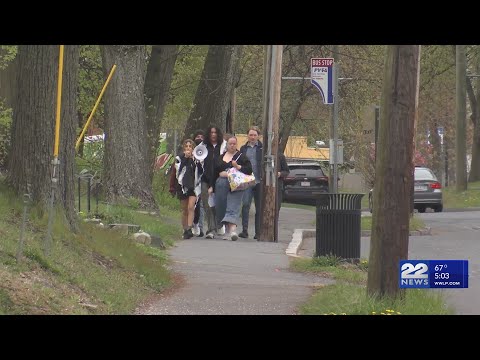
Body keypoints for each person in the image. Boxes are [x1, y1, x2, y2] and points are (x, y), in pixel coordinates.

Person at [211, 135, 253, 241]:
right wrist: (211, 186)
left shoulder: (241, 156)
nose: (232, 145)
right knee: (222, 206)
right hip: (221, 185)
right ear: (227, 145)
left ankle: (233, 231)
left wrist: (238, 167)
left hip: (236, 185)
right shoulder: (220, 157)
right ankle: (226, 230)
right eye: (230, 143)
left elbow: (249, 170)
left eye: (234, 143)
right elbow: (214, 173)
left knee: (233, 206)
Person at [169, 139, 202, 239]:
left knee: (191, 207)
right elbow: (177, 173)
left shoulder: (197, 159)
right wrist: (172, 187)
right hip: (182, 186)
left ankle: (189, 227)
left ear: (193, 148)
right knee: (184, 209)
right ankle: (185, 229)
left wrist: (192, 159)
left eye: (190, 146)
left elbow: (200, 171)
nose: (188, 148)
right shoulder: (179, 159)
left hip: (194, 186)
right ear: (184, 148)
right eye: (186, 146)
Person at [198, 126, 227, 239]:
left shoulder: (223, 146)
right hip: (205, 179)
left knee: (218, 204)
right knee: (207, 204)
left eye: (215, 132)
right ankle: (210, 229)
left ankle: (219, 225)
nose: (213, 134)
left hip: (218, 180)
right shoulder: (203, 146)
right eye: (211, 132)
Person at [238, 126, 263, 239]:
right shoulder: (243, 149)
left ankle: (258, 232)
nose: (252, 137)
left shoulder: (263, 148)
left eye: (255, 135)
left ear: (258, 136)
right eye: (250, 135)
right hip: (247, 181)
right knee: (246, 205)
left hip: (259, 181)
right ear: (247, 136)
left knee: (259, 207)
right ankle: (244, 230)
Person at [192, 129, 205, 237]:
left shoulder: (205, 152)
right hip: (189, 182)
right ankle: (190, 225)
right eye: (197, 136)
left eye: (201, 137)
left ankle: (200, 227)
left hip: (200, 182)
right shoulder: (189, 151)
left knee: (200, 205)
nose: (199, 138)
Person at [277, 152, 290, 218]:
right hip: (265, 187)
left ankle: (275, 226)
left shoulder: (280, 155)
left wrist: (280, 174)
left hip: (277, 186)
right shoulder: (263, 153)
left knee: (276, 207)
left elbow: (286, 171)